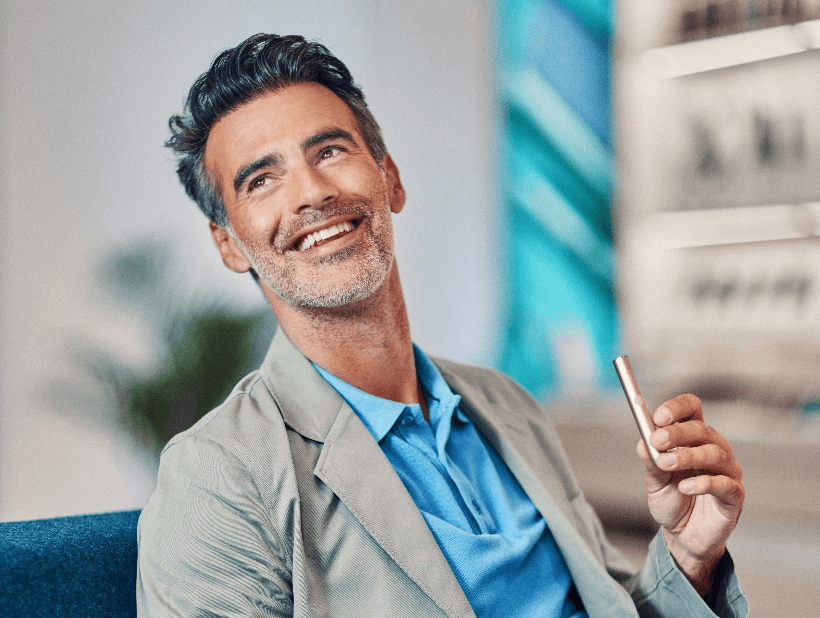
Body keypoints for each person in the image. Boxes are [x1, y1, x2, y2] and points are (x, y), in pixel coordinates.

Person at [137, 34, 747, 618]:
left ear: (390, 178)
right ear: (229, 244)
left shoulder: (507, 405)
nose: (311, 193)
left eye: (329, 151)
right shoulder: (218, 476)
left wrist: (690, 554)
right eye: (261, 180)